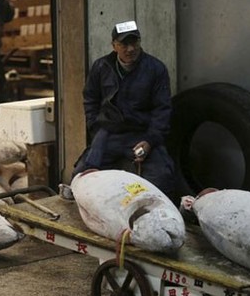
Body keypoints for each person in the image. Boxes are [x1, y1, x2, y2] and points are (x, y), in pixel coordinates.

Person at [71, 21, 176, 198]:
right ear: (114, 46)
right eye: (123, 44)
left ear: (140, 42)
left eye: (134, 43)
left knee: (162, 179)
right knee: (80, 178)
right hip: (108, 133)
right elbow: (90, 99)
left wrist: (150, 140)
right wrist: (95, 128)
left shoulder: (155, 69)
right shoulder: (101, 67)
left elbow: (162, 110)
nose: (130, 49)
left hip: (141, 134)